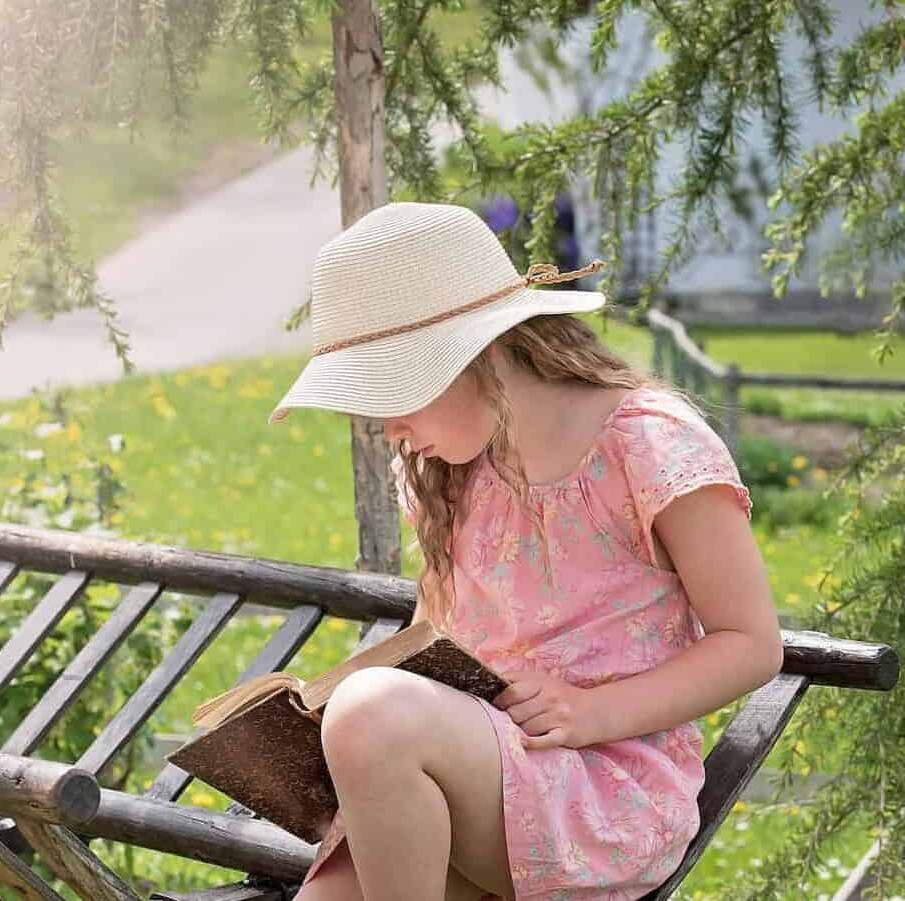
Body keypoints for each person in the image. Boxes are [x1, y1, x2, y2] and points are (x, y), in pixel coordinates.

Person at [268, 201, 783, 901]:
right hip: (479, 779)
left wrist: (591, 711)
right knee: (363, 725)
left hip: (602, 787)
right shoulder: (447, 470)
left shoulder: (648, 444)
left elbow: (751, 644)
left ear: (470, 354)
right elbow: (437, 645)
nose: (385, 427)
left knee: (369, 713)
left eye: (390, 392)